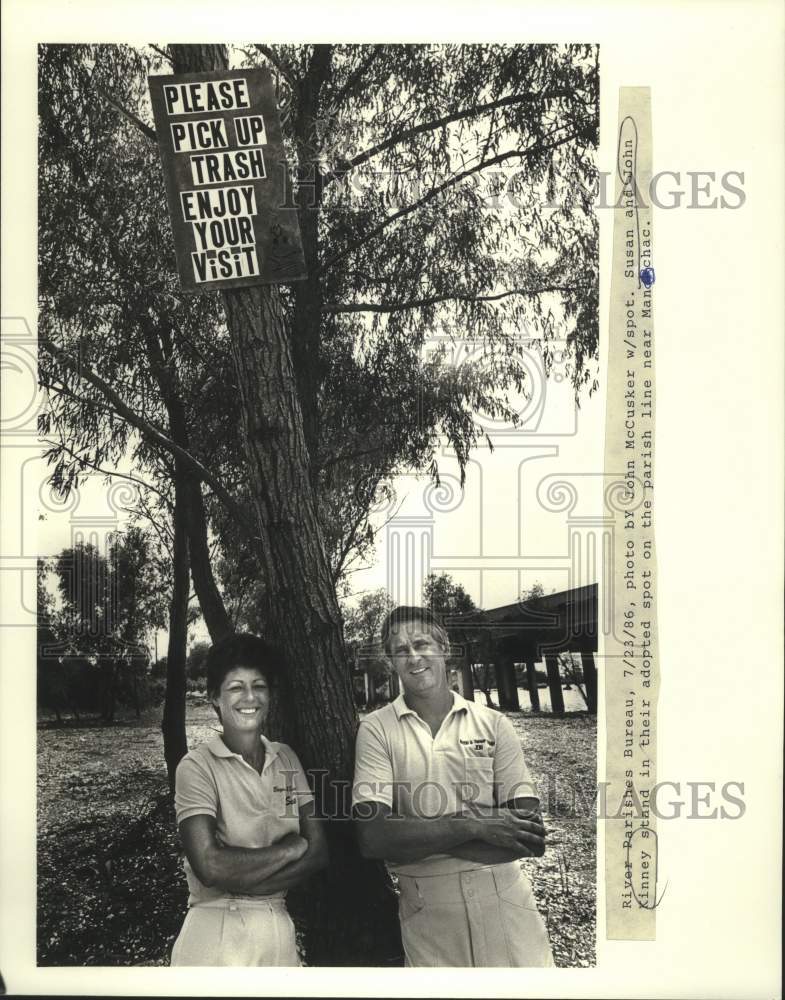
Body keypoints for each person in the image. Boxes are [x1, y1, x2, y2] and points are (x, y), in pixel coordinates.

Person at [352, 606, 554, 968]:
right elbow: (373, 837)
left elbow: (529, 837)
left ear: (444, 648)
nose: (413, 657)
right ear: (391, 661)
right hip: (427, 910)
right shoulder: (376, 729)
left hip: (506, 900)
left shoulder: (494, 724)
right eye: (400, 650)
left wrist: (419, 838)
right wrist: (476, 823)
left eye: (421, 643)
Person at [170, 633, 327, 966]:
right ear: (214, 697)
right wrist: (289, 848)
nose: (249, 697)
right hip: (216, 928)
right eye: (236, 687)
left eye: (259, 686)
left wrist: (243, 881)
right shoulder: (196, 766)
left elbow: (318, 853)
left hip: (279, 928)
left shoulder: (286, 758)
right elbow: (210, 866)